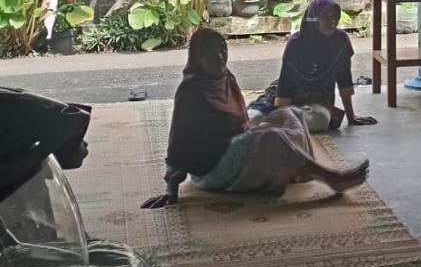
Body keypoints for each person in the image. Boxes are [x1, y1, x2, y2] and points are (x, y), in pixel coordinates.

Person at [141, 28, 368, 209]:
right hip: (212, 167)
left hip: (235, 144)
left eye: (223, 50)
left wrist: (252, 133)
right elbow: (178, 141)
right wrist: (171, 189)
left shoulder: (225, 77)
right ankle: (332, 178)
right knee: (272, 138)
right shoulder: (191, 90)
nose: (220, 57)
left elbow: (241, 121)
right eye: (212, 52)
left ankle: (299, 170)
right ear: (199, 57)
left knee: (291, 114)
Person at [275, 0, 377, 131]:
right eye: (326, 17)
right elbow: (285, 83)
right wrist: (284, 118)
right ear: (314, 19)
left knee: (319, 120)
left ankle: (287, 119)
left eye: (335, 16)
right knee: (259, 116)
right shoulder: (296, 44)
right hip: (292, 98)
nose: (332, 21)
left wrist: (351, 116)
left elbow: (344, 78)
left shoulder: (340, 40)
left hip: (320, 101)